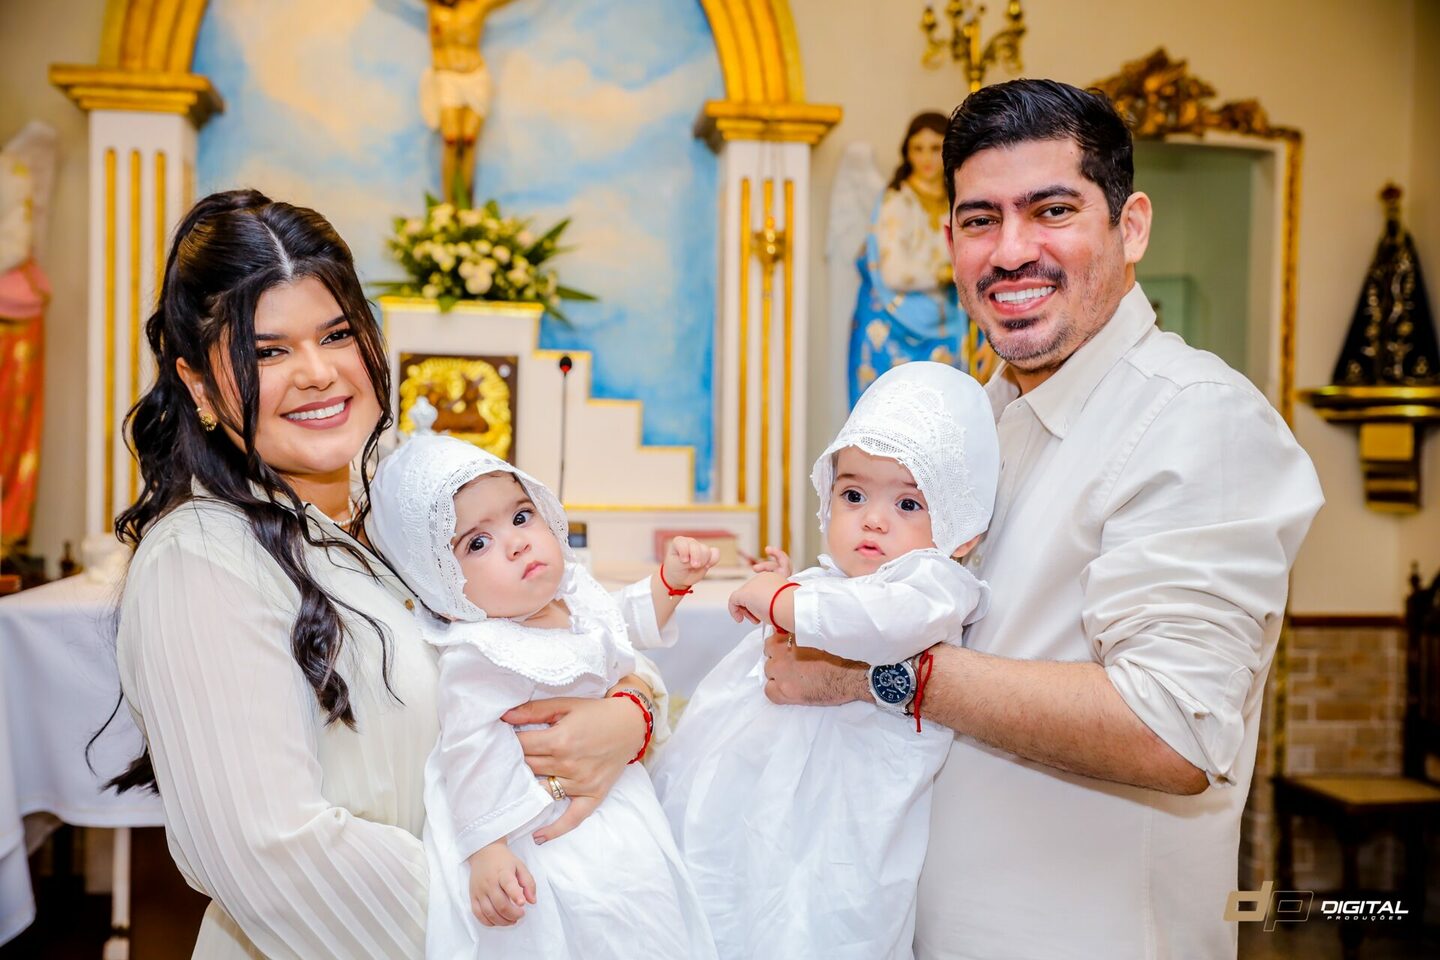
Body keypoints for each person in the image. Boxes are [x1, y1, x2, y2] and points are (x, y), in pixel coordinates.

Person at [763, 80, 1324, 959]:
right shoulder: (964, 426)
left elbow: (1173, 727)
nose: (1011, 250)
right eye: (981, 219)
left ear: (1129, 226)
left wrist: (873, 671)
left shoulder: (1197, 419)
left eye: (1052, 209)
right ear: (950, 242)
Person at [112, 189, 663, 958]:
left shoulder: (418, 507)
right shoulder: (201, 562)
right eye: (268, 351)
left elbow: (569, 626)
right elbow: (275, 856)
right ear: (200, 386)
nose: (317, 372)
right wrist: (522, 931)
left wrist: (632, 718)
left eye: (337, 333)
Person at [652, 361, 998, 959]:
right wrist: (790, 588)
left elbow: (875, 624)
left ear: (961, 530)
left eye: (909, 503)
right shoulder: (839, 578)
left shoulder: (933, 583)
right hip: (765, 794)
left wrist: (786, 602)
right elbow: (833, 611)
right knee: (733, 889)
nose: (873, 518)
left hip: (842, 812)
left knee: (824, 915)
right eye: (854, 494)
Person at [365, 434, 719, 958]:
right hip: (535, 828)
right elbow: (470, 751)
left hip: (617, 802)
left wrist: (670, 582)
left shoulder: (572, 596)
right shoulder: (481, 652)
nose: (516, 543)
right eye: (476, 543)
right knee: (582, 920)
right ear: (440, 585)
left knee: (643, 907)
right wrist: (485, 849)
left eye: (521, 516)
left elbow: (621, 624)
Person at [848, 113, 992, 406]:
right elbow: (895, 272)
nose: (927, 158)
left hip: (948, 321)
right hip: (895, 324)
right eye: (918, 148)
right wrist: (945, 273)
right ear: (907, 152)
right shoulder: (897, 200)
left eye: (934, 147)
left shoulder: (958, 198)